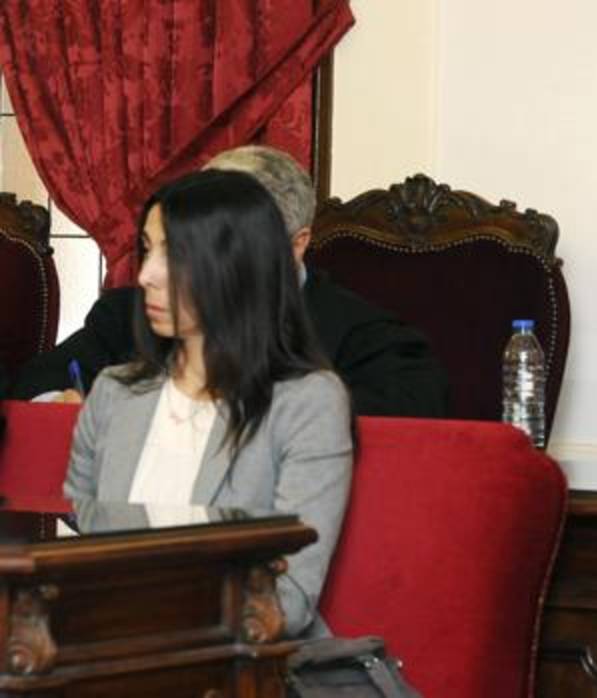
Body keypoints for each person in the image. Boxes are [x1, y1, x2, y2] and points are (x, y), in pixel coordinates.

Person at [64, 170, 351, 638]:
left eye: (173, 254)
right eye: (147, 248)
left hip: (241, 665)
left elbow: (289, 600)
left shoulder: (307, 401)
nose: (145, 276)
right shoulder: (115, 392)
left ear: (239, 266)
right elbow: (80, 536)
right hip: (105, 652)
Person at [11, 145, 449, 418]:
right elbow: (30, 388)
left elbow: (396, 428)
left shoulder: (368, 339)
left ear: (295, 245)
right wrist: (61, 408)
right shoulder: (129, 313)